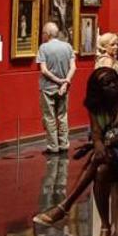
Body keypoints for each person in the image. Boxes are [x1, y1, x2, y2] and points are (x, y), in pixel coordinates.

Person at [33, 67, 118, 236]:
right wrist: (99, 143)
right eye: (106, 84)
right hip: (108, 158)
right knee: (101, 170)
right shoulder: (96, 107)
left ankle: (65, 206)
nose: (113, 86)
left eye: (114, 81)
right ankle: (105, 228)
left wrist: (102, 145)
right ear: (97, 89)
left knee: (98, 158)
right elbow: (96, 132)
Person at [37, 22, 76, 155]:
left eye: (43, 33)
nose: (42, 36)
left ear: (47, 34)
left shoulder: (43, 48)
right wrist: (65, 82)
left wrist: (58, 80)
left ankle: (53, 146)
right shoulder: (67, 46)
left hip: (48, 88)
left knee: (49, 117)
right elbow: (73, 67)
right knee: (62, 116)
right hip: (63, 88)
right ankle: (64, 144)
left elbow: (44, 70)